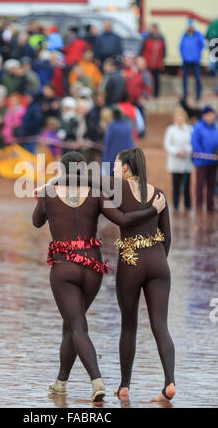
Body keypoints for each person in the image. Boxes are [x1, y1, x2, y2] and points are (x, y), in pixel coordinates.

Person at [32, 151, 166, 401]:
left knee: (77, 326)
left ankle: (97, 381)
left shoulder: (49, 194)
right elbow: (123, 219)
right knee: (71, 325)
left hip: (64, 268)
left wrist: (47, 190)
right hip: (93, 268)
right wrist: (153, 210)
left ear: (61, 172)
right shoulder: (96, 195)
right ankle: (61, 382)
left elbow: (36, 222)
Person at [109, 147, 175, 402]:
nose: (113, 169)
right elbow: (167, 236)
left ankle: (124, 386)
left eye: (115, 165)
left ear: (125, 167)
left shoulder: (118, 190)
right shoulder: (159, 193)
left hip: (131, 261)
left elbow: (120, 218)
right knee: (161, 325)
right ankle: (169, 382)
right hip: (159, 261)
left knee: (128, 325)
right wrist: (158, 259)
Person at [164, 108, 193, 211]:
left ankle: (188, 205)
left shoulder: (190, 129)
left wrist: (187, 151)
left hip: (186, 162)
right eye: (177, 117)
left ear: (185, 117)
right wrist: (177, 152)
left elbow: (192, 143)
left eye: (181, 116)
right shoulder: (170, 129)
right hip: (175, 162)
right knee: (176, 185)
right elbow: (167, 144)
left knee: (187, 186)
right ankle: (175, 205)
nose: (180, 119)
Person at [191, 106, 218, 211]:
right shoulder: (198, 127)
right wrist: (206, 155)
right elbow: (195, 144)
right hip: (201, 162)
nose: (213, 116)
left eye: (213, 114)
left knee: (212, 185)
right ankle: (198, 206)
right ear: (204, 115)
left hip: (214, 162)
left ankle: (210, 207)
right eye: (210, 114)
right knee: (200, 185)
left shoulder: (214, 127)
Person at [102, 106, 135, 176]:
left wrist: (105, 162)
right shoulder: (127, 126)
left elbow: (107, 145)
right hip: (126, 160)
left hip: (113, 160)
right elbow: (131, 144)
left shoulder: (111, 127)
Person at [180, 19, 205, 101]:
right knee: (184, 79)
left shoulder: (198, 35)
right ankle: (185, 95)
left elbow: (202, 45)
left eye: (191, 26)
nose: (190, 28)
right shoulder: (184, 36)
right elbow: (181, 46)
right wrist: (184, 55)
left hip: (195, 60)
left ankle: (198, 95)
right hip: (186, 60)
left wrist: (197, 53)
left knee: (197, 78)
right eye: (189, 26)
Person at [141, 23, 166, 98]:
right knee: (147, 79)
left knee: (156, 79)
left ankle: (156, 94)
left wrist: (161, 60)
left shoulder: (161, 38)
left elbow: (164, 51)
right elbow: (142, 50)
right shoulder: (147, 38)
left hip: (157, 63)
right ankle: (147, 94)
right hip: (148, 63)